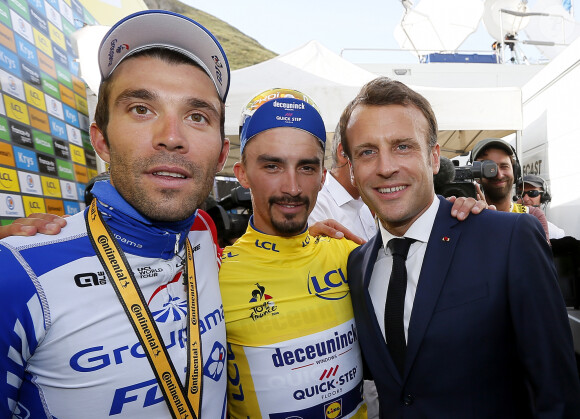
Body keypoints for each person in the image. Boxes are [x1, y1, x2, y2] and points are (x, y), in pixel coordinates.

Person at [0, 10, 230, 418]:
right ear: (100, 140)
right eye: (142, 109)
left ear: (222, 154)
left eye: (197, 116)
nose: (172, 138)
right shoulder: (17, 273)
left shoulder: (202, 237)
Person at [342, 77, 580, 417]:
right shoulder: (356, 264)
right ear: (351, 170)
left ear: (434, 157)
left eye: (403, 146)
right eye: (367, 152)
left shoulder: (508, 239)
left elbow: (557, 393)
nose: (386, 167)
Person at [219, 89, 367, 418]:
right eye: (272, 166)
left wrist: (461, 216)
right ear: (242, 173)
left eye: (306, 168)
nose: (292, 187)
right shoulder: (212, 276)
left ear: (323, 177)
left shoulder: (349, 254)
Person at [471, 137, 551, 241]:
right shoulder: (468, 215)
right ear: (477, 175)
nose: (499, 175)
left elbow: (539, 256)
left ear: (515, 170)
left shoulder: (533, 215)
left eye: (504, 166)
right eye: (489, 168)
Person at [309, 127, 377, 241]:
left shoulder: (363, 205)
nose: (386, 167)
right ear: (343, 152)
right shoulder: (316, 206)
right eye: (369, 152)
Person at [517, 174, 566, 239]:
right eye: (521, 194)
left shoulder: (556, 234)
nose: (525, 199)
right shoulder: (507, 224)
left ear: (543, 197)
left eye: (532, 193)